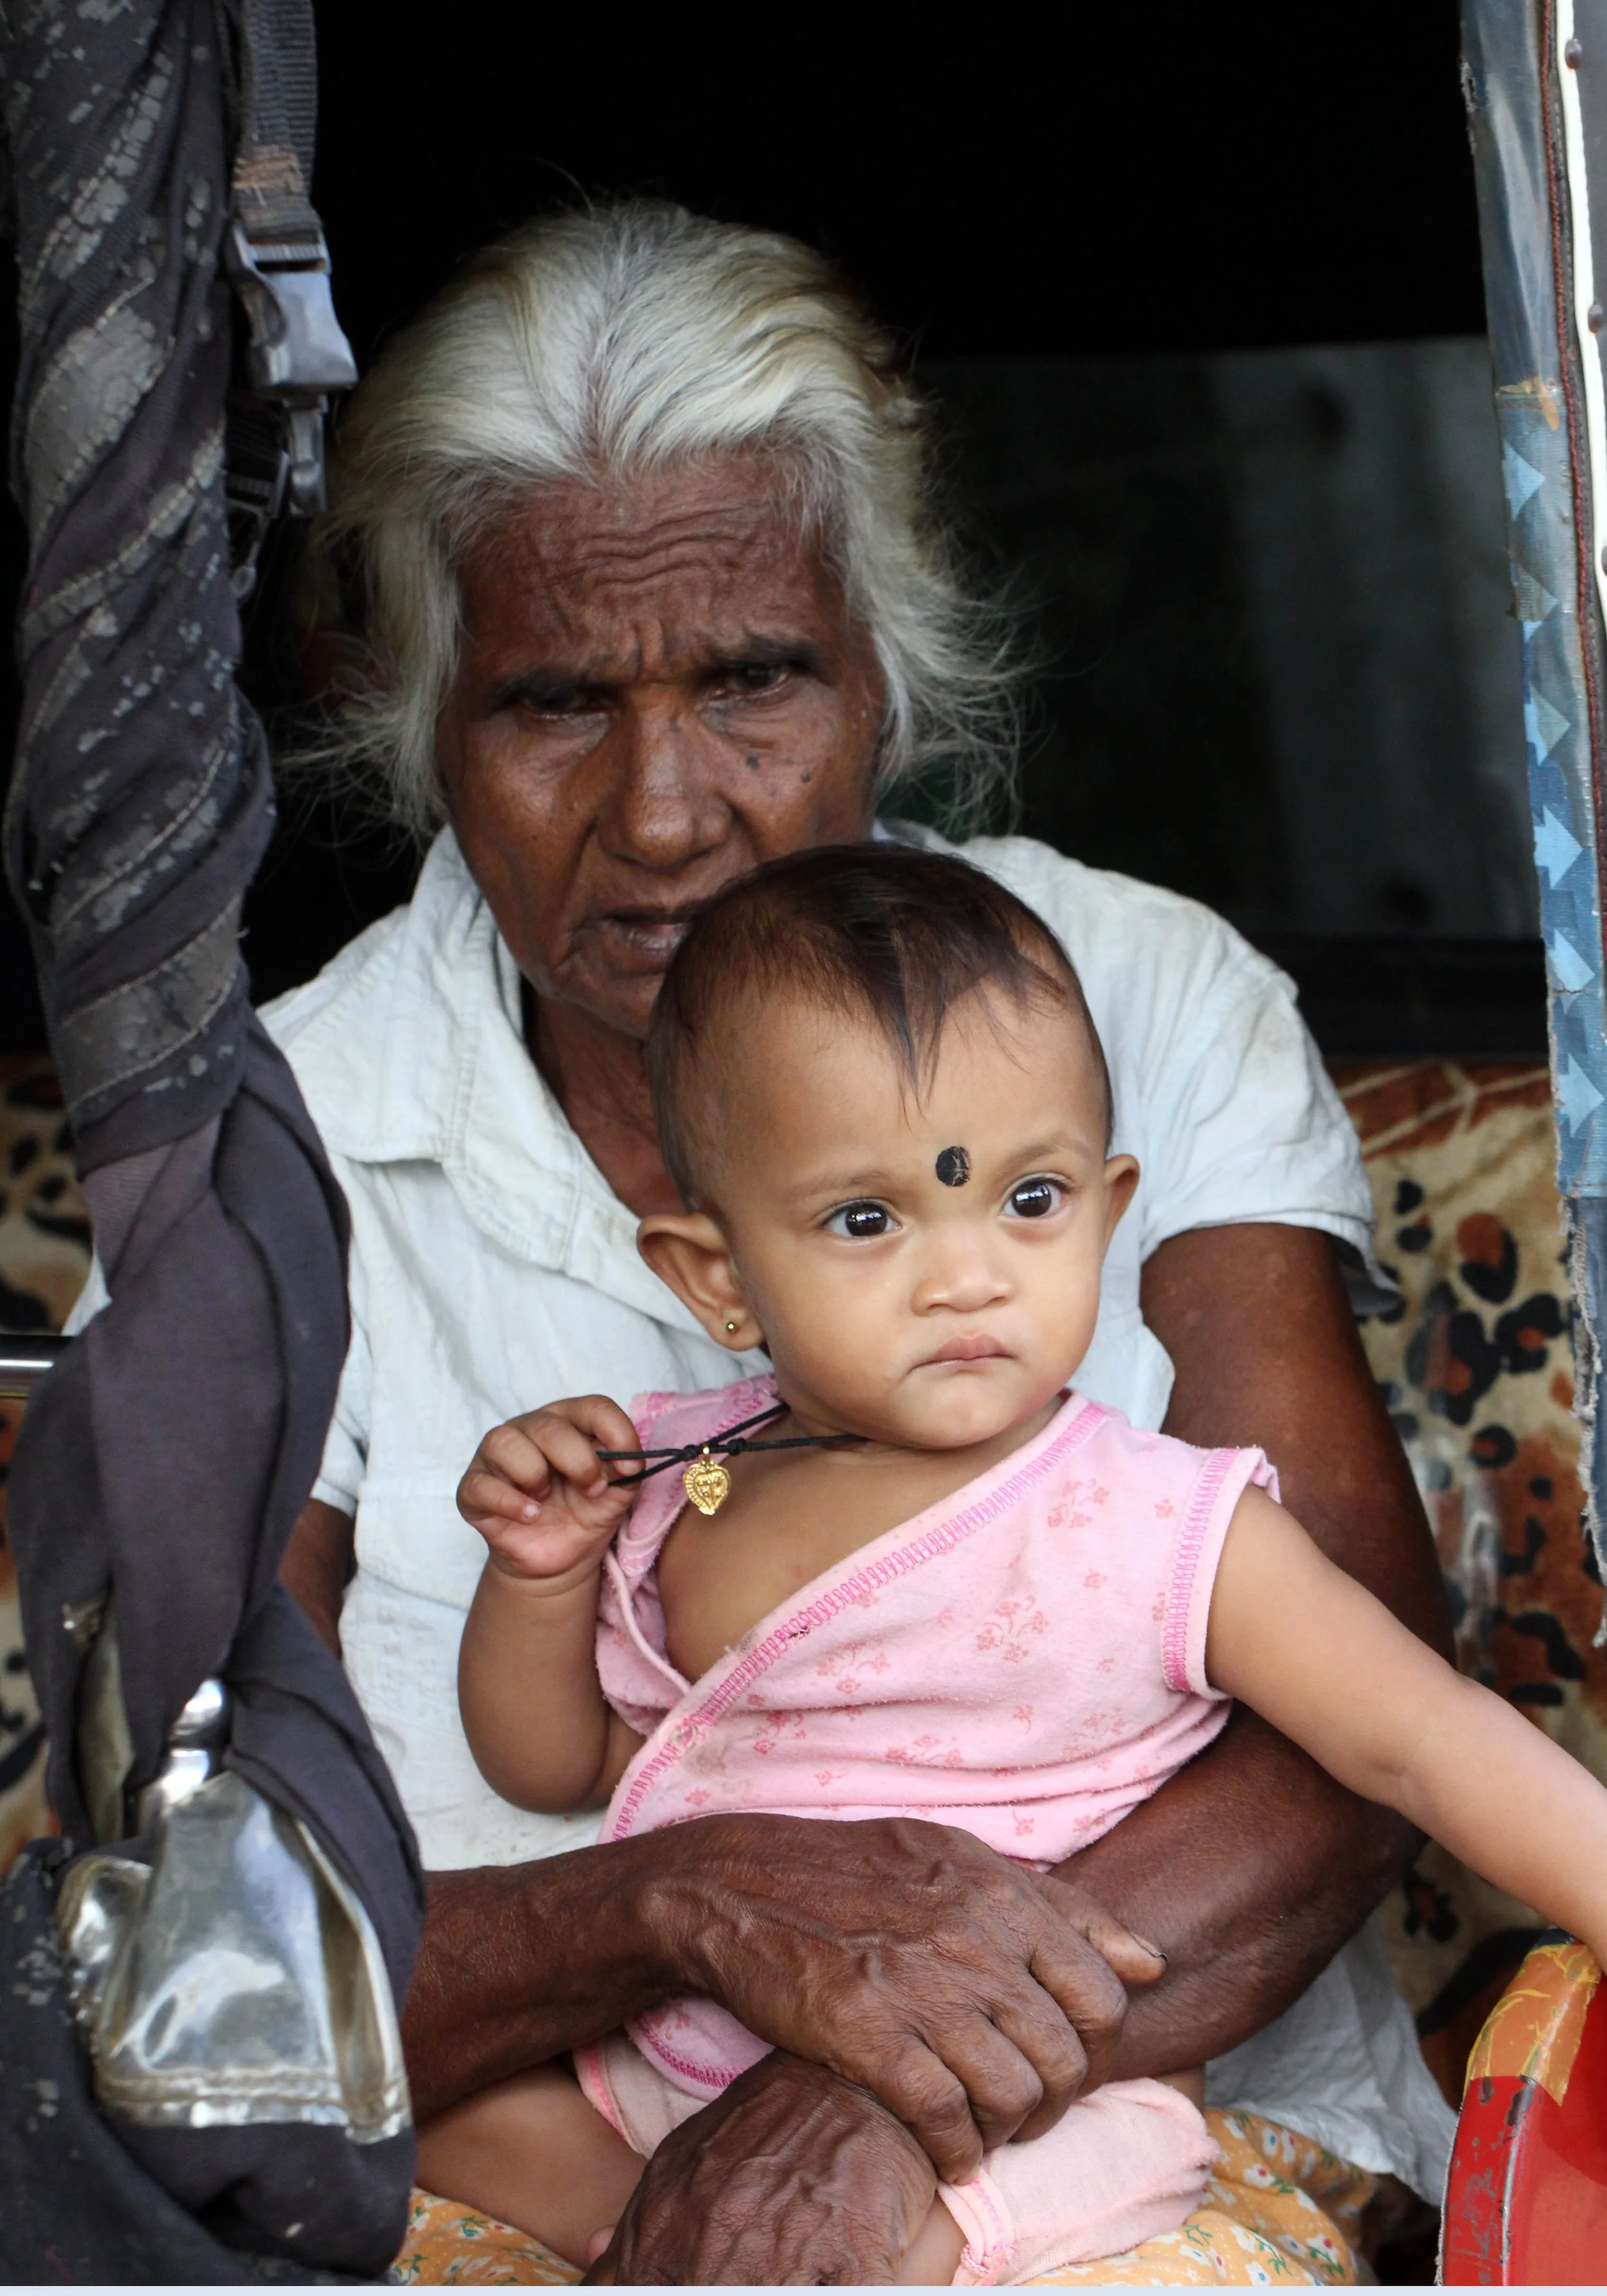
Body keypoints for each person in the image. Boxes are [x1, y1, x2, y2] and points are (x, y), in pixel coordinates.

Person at [115, 199, 1455, 2277]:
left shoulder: (1137, 995)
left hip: (1151, 2123)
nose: (665, 811)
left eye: (754, 680)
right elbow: (220, 1918)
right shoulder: (266, 1145)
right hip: (497, 2157)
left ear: (885, 673)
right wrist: (678, 1904)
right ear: (416, 714)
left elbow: (1359, 1728)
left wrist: (863, 2091)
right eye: (556, 702)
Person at [431, 847, 1607, 2284]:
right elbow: (550, 1760)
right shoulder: (688, 1478)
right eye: (867, 1220)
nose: (966, 1272)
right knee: (418, 2102)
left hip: (1001, 2107)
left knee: (1098, 2150)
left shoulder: (1161, 1522)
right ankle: (657, 2237)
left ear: (1110, 1210)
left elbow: (1423, 1740)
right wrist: (542, 1578)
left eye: (1027, 1199)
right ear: (714, 1276)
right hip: (666, 2063)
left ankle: (877, 2256)